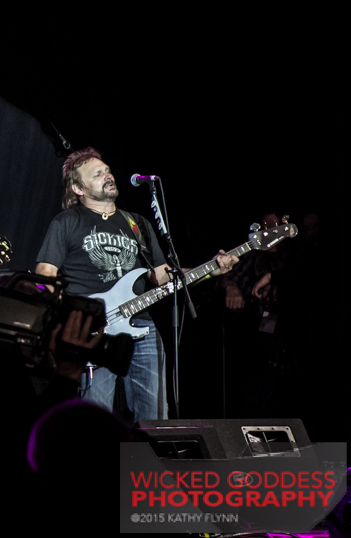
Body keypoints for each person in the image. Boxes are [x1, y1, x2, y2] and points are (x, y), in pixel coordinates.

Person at [35, 147, 237, 421]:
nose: (108, 175)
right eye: (97, 174)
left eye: (107, 170)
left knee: (155, 416)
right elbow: (46, 275)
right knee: (95, 417)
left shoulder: (137, 223)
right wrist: (63, 321)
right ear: (78, 188)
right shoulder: (67, 222)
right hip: (92, 328)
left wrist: (211, 270)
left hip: (142, 325)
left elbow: (163, 276)